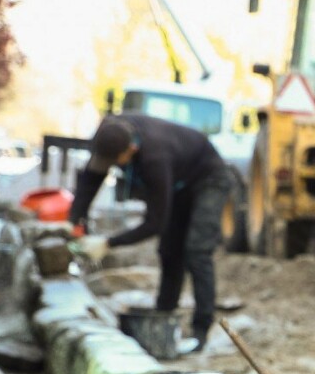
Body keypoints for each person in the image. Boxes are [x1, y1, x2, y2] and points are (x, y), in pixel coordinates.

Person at [69, 113, 234, 351]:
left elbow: (155, 223)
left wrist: (108, 243)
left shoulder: (155, 158)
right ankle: (163, 318)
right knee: (169, 250)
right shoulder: (110, 132)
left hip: (209, 178)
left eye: (117, 162)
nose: (114, 167)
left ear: (131, 150)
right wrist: (74, 220)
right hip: (179, 181)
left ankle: (201, 330)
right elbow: (92, 178)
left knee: (197, 251)